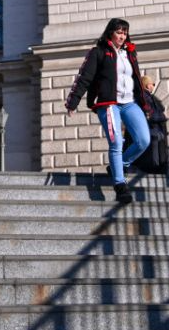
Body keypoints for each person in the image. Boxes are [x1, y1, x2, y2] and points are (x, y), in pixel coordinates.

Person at [64, 18, 151, 205]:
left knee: (144, 140)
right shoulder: (99, 52)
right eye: (119, 32)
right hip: (108, 103)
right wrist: (73, 101)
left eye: (125, 33)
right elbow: (84, 77)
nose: (122, 36)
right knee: (116, 142)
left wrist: (145, 105)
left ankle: (119, 165)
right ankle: (120, 184)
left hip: (129, 103)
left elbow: (137, 79)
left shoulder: (130, 53)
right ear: (110, 32)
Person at [133, 74, 169, 175]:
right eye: (152, 84)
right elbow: (150, 115)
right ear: (147, 85)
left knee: (157, 160)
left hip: (153, 132)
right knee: (153, 162)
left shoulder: (148, 97)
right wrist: (163, 116)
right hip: (152, 131)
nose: (153, 86)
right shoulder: (145, 98)